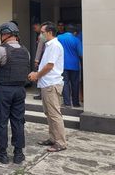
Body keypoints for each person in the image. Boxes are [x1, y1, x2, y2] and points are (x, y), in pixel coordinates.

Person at [0, 22, 30, 164]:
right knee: (18, 121)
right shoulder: (25, 51)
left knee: (0, 121)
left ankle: (2, 153)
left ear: (5, 34)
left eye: (1, 35)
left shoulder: (1, 50)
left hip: (4, 90)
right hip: (19, 90)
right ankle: (18, 153)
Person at [28, 21, 67, 152]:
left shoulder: (54, 45)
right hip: (47, 84)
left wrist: (37, 75)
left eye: (42, 33)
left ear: (49, 33)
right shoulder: (49, 45)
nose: (40, 35)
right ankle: (53, 138)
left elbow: (49, 66)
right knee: (49, 113)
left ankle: (60, 142)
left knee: (54, 114)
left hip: (51, 84)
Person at [57, 24, 83, 107]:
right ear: (74, 32)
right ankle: (76, 103)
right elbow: (81, 54)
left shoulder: (59, 38)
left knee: (65, 83)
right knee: (75, 84)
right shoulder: (76, 40)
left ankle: (67, 103)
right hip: (75, 65)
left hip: (63, 65)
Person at [33, 21, 45, 100]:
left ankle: (42, 94)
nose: (34, 30)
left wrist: (36, 60)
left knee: (40, 76)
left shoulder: (41, 36)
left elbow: (39, 49)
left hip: (42, 59)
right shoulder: (44, 36)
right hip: (44, 58)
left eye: (34, 28)